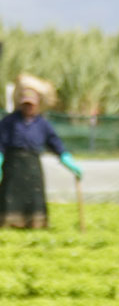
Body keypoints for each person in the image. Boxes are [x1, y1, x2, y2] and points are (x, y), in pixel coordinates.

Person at [0, 74, 83, 228]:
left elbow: (55, 144)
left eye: (31, 104)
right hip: (13, 167)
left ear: (37, 104)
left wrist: (67, 159)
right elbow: (1, 143)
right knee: (10, 196)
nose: (28, 107)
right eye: (25, 104)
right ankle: (9, 223)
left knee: (34, 197)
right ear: (20, 103)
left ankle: (35, 224)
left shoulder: (43, 124)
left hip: (33, 167)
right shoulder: (9, 122)